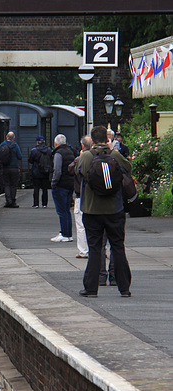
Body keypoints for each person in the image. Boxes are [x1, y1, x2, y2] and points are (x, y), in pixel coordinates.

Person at [76, 125, 132, 298]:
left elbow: (81, 173)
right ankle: (124, 288)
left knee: (94, 248)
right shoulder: (114, 155)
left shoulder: (86, 156)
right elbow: (128, 168)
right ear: (107, 139)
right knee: (118, 247)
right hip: (115, 210)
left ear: (92, 141)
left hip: (92, 210)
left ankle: (91, 288)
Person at [68, 135, 92, 258]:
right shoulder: (98, 157)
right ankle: (98, 249)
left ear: (82, 146)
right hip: (94, 196)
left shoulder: (80, 159)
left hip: (80, 195)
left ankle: (83, 250)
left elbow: (71, 169)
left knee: (81, 224)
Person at [50, 134, 75, 242]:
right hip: (70, 184)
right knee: (66, 210)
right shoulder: (71, 151)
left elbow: (57, 170)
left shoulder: (58, 153)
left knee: (61, 211)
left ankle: (64, 234)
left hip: (61, 185)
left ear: (56, 144)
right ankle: (68, 233)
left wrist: (53, 183)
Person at [0, 131, 22, 208]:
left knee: (7, 185)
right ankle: (13, 201)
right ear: (13, 138)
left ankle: (8, 201)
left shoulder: (2, 145)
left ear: (6, 137)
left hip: (5, 168)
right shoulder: (15, 145)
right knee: (13, 185)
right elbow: (20, 156)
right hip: (14, 168)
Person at [28, 135, 52, 208]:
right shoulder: (49, 150)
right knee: (45, 189)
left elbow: (30, 160)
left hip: (36, 172)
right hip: (45, 171)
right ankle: (44, 204)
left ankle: (36, 204)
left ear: (37, 142)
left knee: (36, 188)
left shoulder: (34, 150)